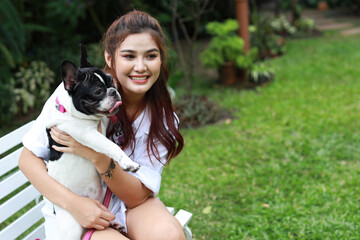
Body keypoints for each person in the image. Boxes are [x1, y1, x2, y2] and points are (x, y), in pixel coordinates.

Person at [19, 10, 185, 240]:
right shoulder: (74, 96)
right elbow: (27, 159)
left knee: (169, 236)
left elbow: (136, 197)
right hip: (75, 209)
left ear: (161, 58)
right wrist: (76, 205)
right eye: (129, 56)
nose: (140, 67)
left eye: (150, 56)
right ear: (110, 58)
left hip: (127, 204)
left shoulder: (161, 119)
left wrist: (98, 156)